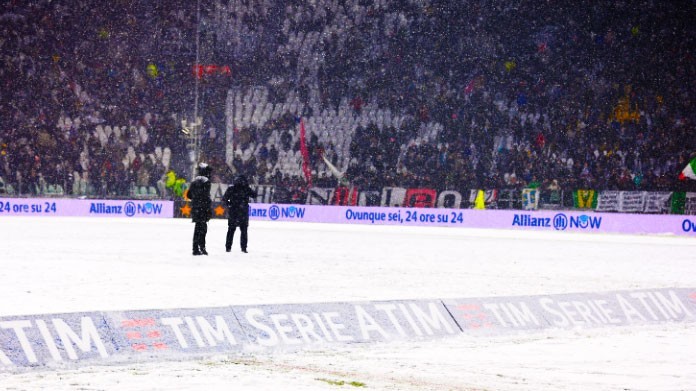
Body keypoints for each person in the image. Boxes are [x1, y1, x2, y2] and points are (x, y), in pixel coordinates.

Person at [223, 174, 257, 253]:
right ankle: (243, 248)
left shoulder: (231, 188)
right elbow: (254, 195)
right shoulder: (246, 189)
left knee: (231, 230)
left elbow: (224, 199)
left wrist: (229, 205)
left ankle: (228, 247)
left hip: (233, 212)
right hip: (243, 212)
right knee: (244, 231)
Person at [189, 163, 212, 255]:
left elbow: (189, 195)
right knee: (203, 228)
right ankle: (202, 247)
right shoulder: (207, 182)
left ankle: (195, 248)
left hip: (196, 208)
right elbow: (205, 195)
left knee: (197, 228)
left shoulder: (194, 182)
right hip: (204, 208)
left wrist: (195, 199)